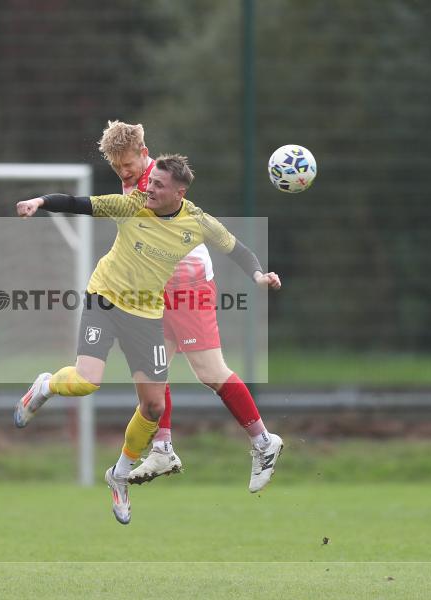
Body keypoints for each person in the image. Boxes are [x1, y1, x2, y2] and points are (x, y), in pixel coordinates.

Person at [14, 154, 280, 525]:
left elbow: (237, 250)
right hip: (104, 300)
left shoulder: (197, 222)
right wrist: (40, 202)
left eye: (158, 184)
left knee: (153, 406)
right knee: (87, 381)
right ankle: (45, 386)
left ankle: (120, 475)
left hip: (146, 314)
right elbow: (80, 203)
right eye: (150, 180)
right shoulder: (132, 205)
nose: (149, 188)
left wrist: (258, 276)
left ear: (179, 193)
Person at [97, 120, 284, 493]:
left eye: (127, 164)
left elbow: (225, 241)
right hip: (157, 291)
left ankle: (264, 442)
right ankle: (163, 449)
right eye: (116, 166)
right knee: (153, 373)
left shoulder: (156, 182)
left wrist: (257, 275)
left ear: (144, 154)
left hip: (189, 289)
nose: (123, 172)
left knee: (211, 372)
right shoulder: (133, 180)